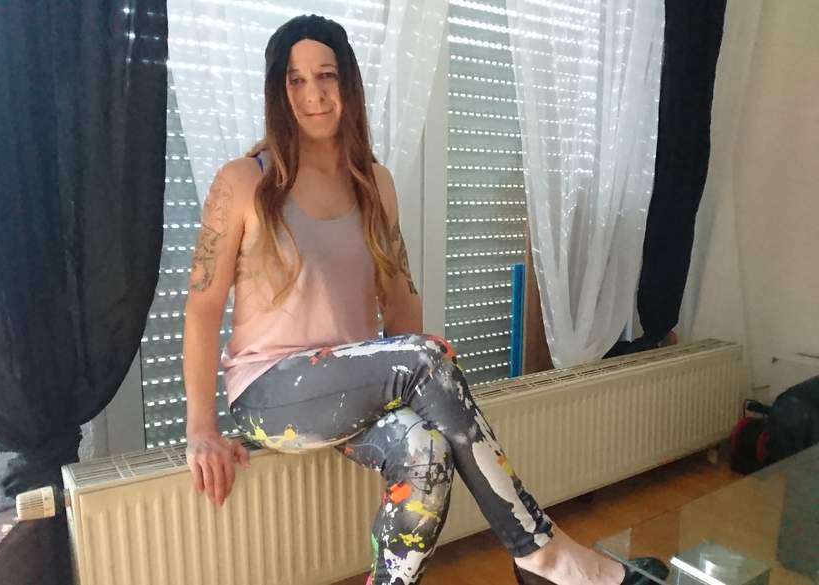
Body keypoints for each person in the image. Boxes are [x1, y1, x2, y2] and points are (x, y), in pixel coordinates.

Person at [181, 14, 668, 585]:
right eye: (296, 80)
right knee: (424, 356)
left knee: (427, 451)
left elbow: (400, 300)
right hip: (269, 391)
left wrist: (416, 388)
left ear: (349, 83)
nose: (314, 94)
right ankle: (540, 551)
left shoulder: (375, 183)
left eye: (327, 76)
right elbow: (203, 309)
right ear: (277, 90)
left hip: (353, 389)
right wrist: (201, 428)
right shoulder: (244, 180)